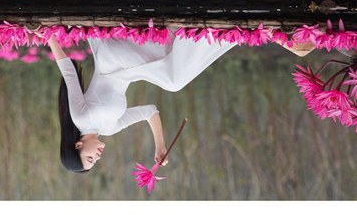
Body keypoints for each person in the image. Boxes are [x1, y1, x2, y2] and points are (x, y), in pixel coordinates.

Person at [49, 31, 239, 173]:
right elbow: (149, 112)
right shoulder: (110, 128)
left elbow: (69, 73)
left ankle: (219, 34)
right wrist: (160, 145)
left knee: (173, 78)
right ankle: (218, 30)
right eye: (95, 161)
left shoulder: (81, 118)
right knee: (172, 70)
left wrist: (46, 34)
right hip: (129, 70)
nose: (97, 157)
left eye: (90, 158)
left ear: (78, 146)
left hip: (112, 61)